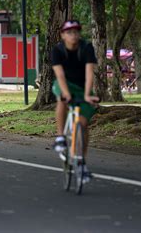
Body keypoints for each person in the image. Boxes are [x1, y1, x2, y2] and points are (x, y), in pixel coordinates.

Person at [51, 20, 99, 180]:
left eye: (76, 32)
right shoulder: (58, 50)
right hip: (64, 84)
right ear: (63, 35)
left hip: (82, 86)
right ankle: (60, 137)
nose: (74, 35)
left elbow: (90, 73)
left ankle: (81, 162)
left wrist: (86, 94)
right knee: (62, 100)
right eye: (69, 32)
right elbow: (60, 75)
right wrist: (66, 93)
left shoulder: (86, 48)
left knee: (83, 125)